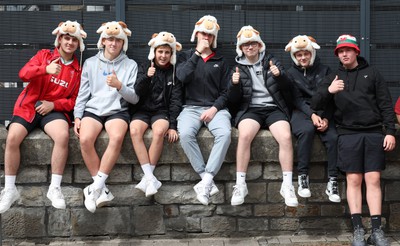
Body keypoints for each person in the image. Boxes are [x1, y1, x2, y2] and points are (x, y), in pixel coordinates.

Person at [311, 34, 395, 246]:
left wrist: (390, 132)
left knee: (373, 180)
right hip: (347, 134)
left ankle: (376, 232)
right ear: (337, 55)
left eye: (348, 50)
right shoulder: (334, 77)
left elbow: (386, 104)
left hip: (374, 133)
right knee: (354, 180)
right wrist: (329, 91)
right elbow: (315, 103)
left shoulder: (372, 73)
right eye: (340, 51)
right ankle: (358, 230)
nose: (344, 54)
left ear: (356, 51)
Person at [0, 20, 86, 213]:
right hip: (30, 106)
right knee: (13, 137)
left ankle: (54, 188)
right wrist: (44, 69)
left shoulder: (78, 71)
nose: (70, 42)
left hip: (54, 110)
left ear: (78, 43)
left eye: (74, 39)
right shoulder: (44, 56)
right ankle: (9, 189)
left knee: (63, 136)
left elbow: (73, 100)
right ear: (59, 39)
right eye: (66, 38)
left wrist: (54, 104)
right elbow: (23, 74)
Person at [228, 25, 298, 207]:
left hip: (274, 108)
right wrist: (234, 86)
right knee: (244, 135)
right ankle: (240, 184)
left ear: (259, 46)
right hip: (251, 110)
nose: (249, 47)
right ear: (241, 48)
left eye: (252, 44)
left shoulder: (272, 61)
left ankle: (287, 185)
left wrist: (280, 76)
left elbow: (288, 87)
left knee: (285, 136)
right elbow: (233, 100)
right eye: (245, 45)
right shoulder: (237, 68)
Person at [73, 21, 139, 213]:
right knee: (85, 139)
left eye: (118, 40)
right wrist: (77, 116)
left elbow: (134, 98)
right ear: (103, 41)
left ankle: (94, 188)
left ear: (123, 43)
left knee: (117, 137)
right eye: (110, 39)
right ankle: (100, 188)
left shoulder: (130, 65)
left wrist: (120, 85)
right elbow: (83, 94)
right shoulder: (91, 63)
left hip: (117, 110)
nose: (113, 43)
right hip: (93, 110)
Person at [176, 15, 231, 206]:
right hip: (191, 107)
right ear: (196, 34)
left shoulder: (222, 61)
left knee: (224, 133)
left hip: (216, 108)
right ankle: (205, 178)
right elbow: (182, 77)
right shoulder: (185, 56)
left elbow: (227, 91)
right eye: (202, 33)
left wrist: (215, 108)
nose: (205, 37)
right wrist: (196, 54)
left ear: (214, 37)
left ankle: (206, 180)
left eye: (209, 34)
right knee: (185, 134)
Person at [284, 35, 340, 203]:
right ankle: (303, 177)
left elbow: (331, 97)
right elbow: (297, 100)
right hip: (301, 111)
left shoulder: (325, 71)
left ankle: (333, 180)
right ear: (294, 56)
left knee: (333, 137)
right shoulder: (290, 73)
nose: (302, 58)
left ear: (312, 53)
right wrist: (312, 115)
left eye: (306, 54)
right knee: (307, 131)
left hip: (323, 111)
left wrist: (327, 118)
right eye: (298, 55)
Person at [130, 31, 183, 197]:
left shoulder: (175, 72)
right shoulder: (144, 66)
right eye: (160, 52)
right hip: (142, 110)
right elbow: (136, 92)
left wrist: (173, 125)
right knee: (134, 130)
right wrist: (146, 77)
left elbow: (176, 101)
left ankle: (147, 178)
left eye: (167, 52)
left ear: (172, 54)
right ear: (154, 52)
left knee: (160, 131)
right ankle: (150, 177)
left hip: (162, 111)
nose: (163, 56)